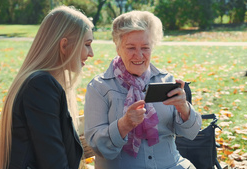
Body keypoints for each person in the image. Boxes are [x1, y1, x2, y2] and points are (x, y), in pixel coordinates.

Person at [84, 10, 202, 169]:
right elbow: (98, 146)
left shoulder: (165, 80)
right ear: (118, 48)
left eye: (145, 48)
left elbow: (192, 133)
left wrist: (184, 109)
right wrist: (124, 125)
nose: (139, 56)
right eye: (131, 47)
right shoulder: (100, 87)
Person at [0, 6, 94, 169]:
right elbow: (53, 162)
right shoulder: (41, 86)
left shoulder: (40, 82)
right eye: (87, 44)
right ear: (64, 45)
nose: (91, 53)